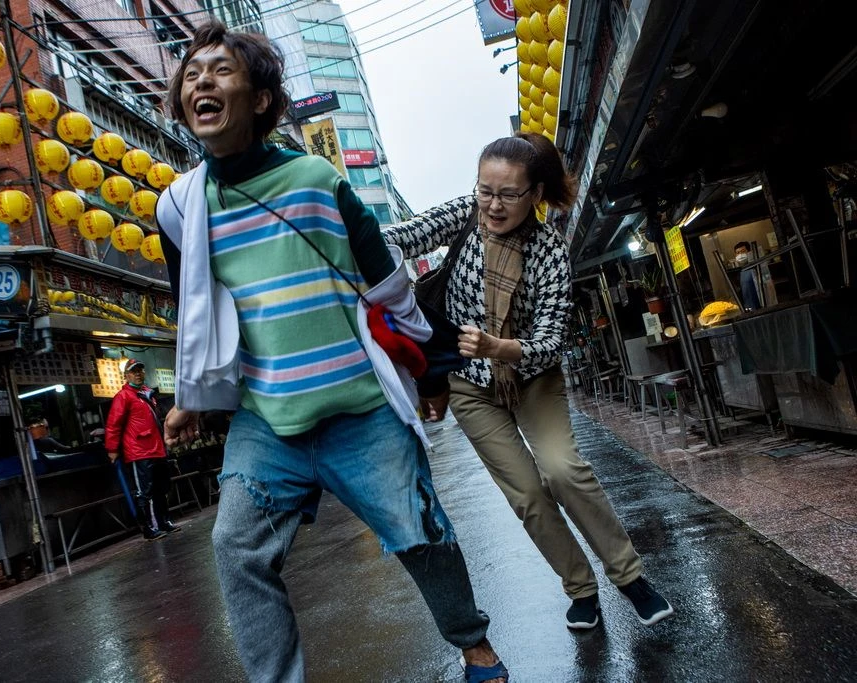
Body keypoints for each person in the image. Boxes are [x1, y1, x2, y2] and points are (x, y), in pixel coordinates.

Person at [155, 20, 508, 683]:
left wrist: (429, 372)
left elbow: (387, 282)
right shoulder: (177, 207)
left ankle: (474, 643)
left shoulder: (316, 177)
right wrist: (191, 398)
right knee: (235, 547)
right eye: (192, 72)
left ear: (260, 100)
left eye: (221, 70)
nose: (201, 79)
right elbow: (194, 310)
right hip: (268, 421)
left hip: (361, 408)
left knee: (421, 530)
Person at [382, 133, 673, 631]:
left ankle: (629, 577)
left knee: (561, 471)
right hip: (471, 387)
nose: (493, 205)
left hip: (532, 378)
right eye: (485, 191)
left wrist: (499, 348)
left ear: (535, 194)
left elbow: (549, 339)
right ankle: (580, 589)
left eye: (508, 194)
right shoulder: (466, 215)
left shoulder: (549, 252)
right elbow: (401, 236)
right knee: (527, 495)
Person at [105, 359, 180, 541]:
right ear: (126, 375)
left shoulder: (147, 394)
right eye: (133, 371)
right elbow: (113, 424)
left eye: (140, 370)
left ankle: (164, 522)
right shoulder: (123, 396)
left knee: (161, 488)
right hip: (139, 451)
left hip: (157, 449)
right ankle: (147, 528)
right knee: (143, 492)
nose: (138, 374)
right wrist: (112, 449)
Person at [734, 241, 762, 310]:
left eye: (743, 251)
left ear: (749, 252)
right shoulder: (738, 272)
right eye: (738, 253)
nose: (740, 254)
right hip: (748, 307)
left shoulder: (757, 266)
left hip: (760, 304)